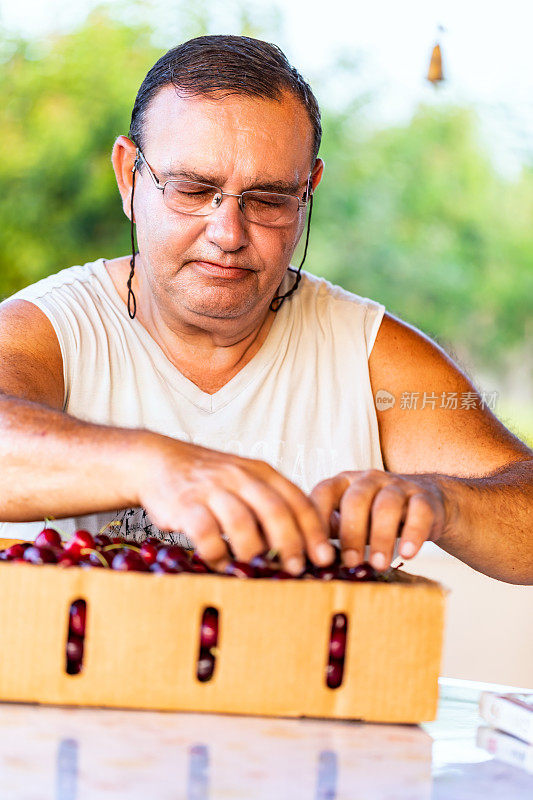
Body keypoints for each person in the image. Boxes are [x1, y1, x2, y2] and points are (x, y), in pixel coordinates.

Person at [0, 35, 531, 583]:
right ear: (129, 174)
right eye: (192, 189)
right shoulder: (52, 326)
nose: (228, 234)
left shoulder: (366, 351)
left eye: (269, 200)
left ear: (309, 190)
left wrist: (444, 501)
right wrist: (153, 464)